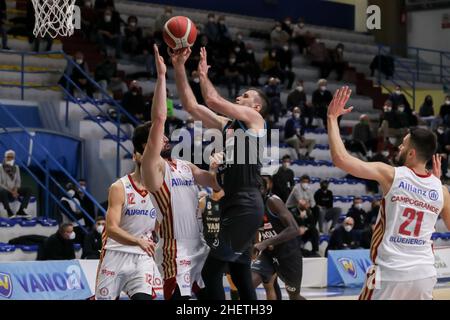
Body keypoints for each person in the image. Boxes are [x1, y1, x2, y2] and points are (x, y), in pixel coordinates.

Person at [327, 85, 450, 300]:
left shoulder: (392, 174)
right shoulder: (441, 189)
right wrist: (435, 185)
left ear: (411, 153)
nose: (399, 149)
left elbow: (341, 159)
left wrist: (331, 117)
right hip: (424, 273)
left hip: (390, 273)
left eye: (402, 146)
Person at [171, 47, 268, 300]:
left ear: (255, 106)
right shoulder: (227, 126)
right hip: (232, 201)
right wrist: (179, 66)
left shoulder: (255, 121)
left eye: (245, 96)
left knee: (209, 273)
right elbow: (191, 106)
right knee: (239, 274)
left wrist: (203, 75)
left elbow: (213, 100)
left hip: (245, 204)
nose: (240, 97)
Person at [140, 45, 221, 300]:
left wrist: (220, 167)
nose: (165, 138)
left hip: (200, 249)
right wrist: (163, 76)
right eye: (159, 137)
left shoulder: (183, 165)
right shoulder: (153, 167)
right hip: (175, 256)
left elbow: (214, 182)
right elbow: (159, 119)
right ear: (146, 146)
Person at [251, 175, 305, 300]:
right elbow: (258, 229)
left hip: (288, 255)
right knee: (247, 285)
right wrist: (256, 246)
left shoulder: (273, 201)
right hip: (269, 255)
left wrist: (265, 243)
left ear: (263, 190)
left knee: (294, 296)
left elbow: (294, 229)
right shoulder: (254, 207)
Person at [0, 150, 32, 218]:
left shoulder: (16, 167)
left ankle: (21, 210)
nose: (10, 159)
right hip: (4, 191)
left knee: (28, 190)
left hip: (13, 190)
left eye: (12, 157)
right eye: (8, 157)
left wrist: (15, 190)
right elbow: (0, 183)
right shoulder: (0, 167)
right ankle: (9, 211)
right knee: (2, 191)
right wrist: (12, 191)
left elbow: (18, 181)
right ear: (5, 157)